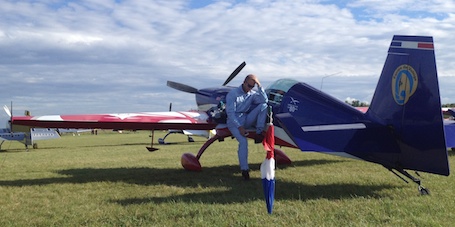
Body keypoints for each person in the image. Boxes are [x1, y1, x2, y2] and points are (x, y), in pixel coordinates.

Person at [226, 74, 268, 180]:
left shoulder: (252, 94)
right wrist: (239, 127)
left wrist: (259, 86)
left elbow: (264, 100)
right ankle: (245, 170)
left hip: (246, 118)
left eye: (252, 87)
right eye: (249, 86)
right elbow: (230, 113)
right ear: (244, 83)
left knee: (263, 106)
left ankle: (259, 132)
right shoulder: (233, 94)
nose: (250, 89)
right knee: (243, 142)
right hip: (234, 122)